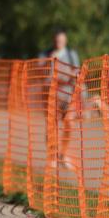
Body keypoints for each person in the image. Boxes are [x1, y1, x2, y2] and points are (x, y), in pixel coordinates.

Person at [40, 28, 81, 171]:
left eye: (61, 40)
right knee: (51, 126)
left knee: (69, 123)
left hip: (68, 96)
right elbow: (44, 76)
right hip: (50, 96)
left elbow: (77, 73)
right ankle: (52, 157)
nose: (59, 42)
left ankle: (63, 155)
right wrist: (53, 66)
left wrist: (69, 75)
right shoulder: (45, 55)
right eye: (57, 40)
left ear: (65, 41)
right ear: (54, 40)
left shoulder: (71, 55)